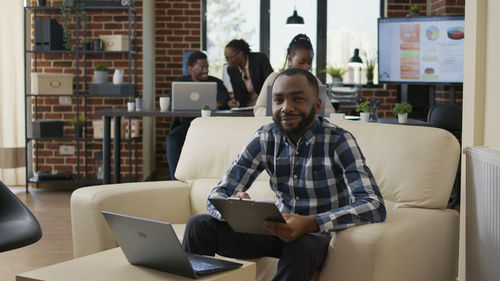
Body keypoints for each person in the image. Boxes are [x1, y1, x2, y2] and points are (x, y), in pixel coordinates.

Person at [182, 68, 386, 281]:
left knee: (301, 246)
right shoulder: (265, 137)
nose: (286, 108)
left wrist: (312, 222)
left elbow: (374, 204)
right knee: (199, 226)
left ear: (316, 105)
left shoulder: (339, 141)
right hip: (275, 232)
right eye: (278, 100)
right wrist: (232, 206)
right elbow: (219, 194)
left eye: (297, 99)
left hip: (317, 235)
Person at [166, 51, 232, 180]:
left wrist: (219, 104)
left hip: (211, 126)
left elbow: (226, 101)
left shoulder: (216, 82)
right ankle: (175, 180)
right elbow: (172, 103)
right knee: (171, 139)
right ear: (190, 69)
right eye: (201, 68)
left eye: (207, 67)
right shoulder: (181, 82)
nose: (205, 71)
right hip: (187, 125)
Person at [254, 34, 335, 117]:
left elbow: (330, 110)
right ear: (290, 59)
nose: (306, 67)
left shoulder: (314, 80)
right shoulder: (274, 78)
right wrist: (278, 113)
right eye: (301, 62)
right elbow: (258, 109)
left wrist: (310, 113)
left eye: (309, 63)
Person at [224, 39, 273, 107]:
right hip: (246, 108)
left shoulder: (260, 59)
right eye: (226, 59)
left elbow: (270, 82)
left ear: (240, 53)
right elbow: (238, 94)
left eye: (228, 58)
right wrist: (236, 102)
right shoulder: (231, 70)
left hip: (264, 105)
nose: (227, 61)